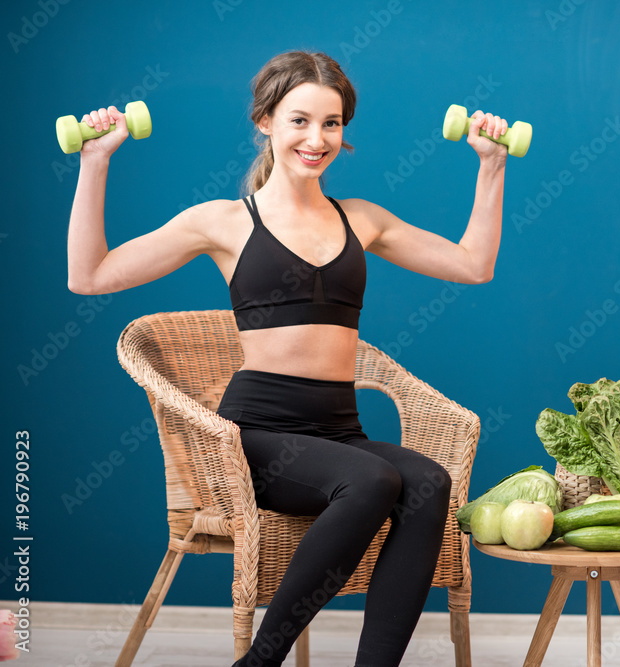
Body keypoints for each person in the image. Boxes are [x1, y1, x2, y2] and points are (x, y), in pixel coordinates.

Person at [66, 50, 509, 666]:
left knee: (429, 483)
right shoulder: (223, 222)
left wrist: (491, 166)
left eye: (331, 123)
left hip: (338, 431)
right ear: (266, 122)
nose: (316, 138)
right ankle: (258, 662)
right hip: (258, 436)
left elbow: (473, 264)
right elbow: (89, 275)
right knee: (375, 479)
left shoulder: (362, 221)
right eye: (300, 120)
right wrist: (95, 161)